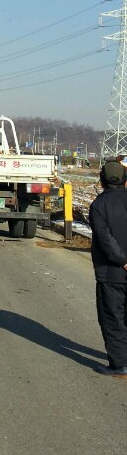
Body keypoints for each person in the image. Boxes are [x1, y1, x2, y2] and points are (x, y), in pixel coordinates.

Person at [88, 160, 127, 377]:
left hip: (111, 272)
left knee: (113, 318)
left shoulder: (99, 205)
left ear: (102, 180)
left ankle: (120, 364)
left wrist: (122, 260)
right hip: (117, 268)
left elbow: (104, 239)